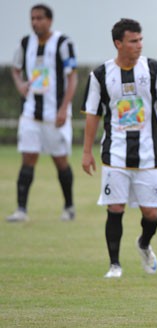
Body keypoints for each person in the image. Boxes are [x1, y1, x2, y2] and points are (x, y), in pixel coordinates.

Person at [81, 18, 157, 278]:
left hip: (149, 154)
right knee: (115, 208)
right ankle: (114, 265)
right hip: (114, 153)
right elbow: (92, 114)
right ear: (118, 43)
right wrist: (86, 151)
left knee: (151, 213)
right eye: (133, 41)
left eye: (140, 40)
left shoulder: (153, 69)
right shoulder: (100, 75)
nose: (139, 45)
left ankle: (144, 244)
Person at [7, 4, 78, 222]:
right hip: (30, 113)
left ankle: (69, 206)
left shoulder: (63, 43)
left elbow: (72, 76)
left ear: (49, 20)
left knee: (60, 161)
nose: (35, 22)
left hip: (54, 114)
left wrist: (64, 107)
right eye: (32, 18)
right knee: (28, 158)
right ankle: (21, 210)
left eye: (39, 18)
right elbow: (15, 67)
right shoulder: (26, 43)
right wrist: (20, 84)